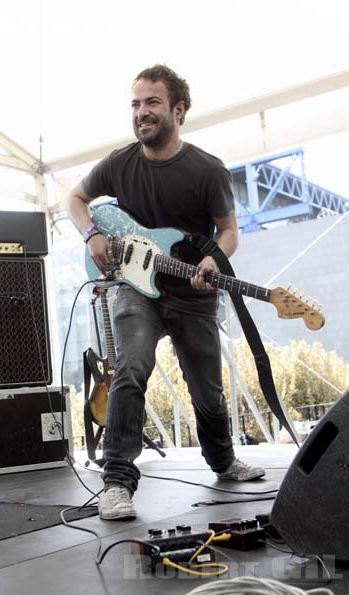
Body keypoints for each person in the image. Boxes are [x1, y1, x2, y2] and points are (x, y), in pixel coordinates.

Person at [68, 64, 265, 520]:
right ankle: (117, 482)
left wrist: (215, 257)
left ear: (178, 109)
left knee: (208, 393)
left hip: (193, 292)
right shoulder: (119, 163)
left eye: (152, 102)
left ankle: (221, 460)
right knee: (131, 369)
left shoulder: (207, 170)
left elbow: (229, 230)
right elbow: (75, 200)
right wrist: (92, 234)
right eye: (136, 104)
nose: (142, 112)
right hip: (137, 288)